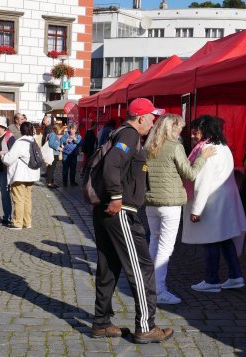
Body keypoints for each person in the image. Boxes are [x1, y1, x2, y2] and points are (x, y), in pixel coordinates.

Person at [91, 98, 173, 344]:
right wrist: (116, 196)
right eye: (151, 117)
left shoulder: (120, 133)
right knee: (142, 267)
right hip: (120, 210)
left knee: (109, 266)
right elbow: (112, 165)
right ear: (140, 118)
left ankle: (101, 322)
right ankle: (145, 326)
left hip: (109, 211)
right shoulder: (128, 136)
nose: (153, 122)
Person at [145, 114, 215, 304]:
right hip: (170, 202)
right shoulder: (174, 146)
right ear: (172, 128)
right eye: (180, 128)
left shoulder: (149, 146)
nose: (182, 132)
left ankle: (149, 286)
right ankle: (159, 291)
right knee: (165, 249)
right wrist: (202, 157)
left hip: (151, 202)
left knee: (154, 242)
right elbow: (190, 174)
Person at [182, 115, 246, 293]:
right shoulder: (223, 147)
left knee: (209, 240)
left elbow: (203, 182)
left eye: (197, 131)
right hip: (224, 200)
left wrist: (196, 210)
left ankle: (212, 280)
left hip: (212, 200)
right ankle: (235, 275)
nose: (194, 135)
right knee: (224, 239)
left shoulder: (207, 150)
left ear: (206, 130)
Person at [2, 122, 41, 230]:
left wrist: (2, 156)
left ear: (21, 130)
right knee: (27, 199)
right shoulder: (33, 140)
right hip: (32, 174)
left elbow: (9, 159)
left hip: (20, 175)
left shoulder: (19, 142)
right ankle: (27, 222)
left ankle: (17, 223)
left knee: (18, 199)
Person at [46, 124, 64, 189]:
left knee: (51, 169)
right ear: (56, 129)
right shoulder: (53, 134)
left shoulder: (53, 134)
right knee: (51, 169)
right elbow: (51, 144)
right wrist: (59, 148)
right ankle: (49, 183)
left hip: (54, 154)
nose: (60, 131)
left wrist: (59, 145)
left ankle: (50, 182)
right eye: (60, 130)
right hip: (53, 154)